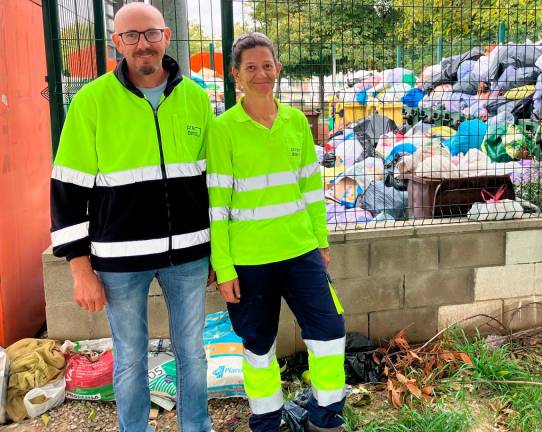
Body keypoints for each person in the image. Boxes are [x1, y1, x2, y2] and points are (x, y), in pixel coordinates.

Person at [49, 3, 213, 431]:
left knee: (192, 353)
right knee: (130, 358)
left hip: (191, 257)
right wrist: (79, 268)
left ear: (166, 37)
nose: (143, 44)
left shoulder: (196, 98)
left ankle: (196, 427)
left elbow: (212, 183)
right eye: (132, 36)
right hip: (120, 261)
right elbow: (68, 188)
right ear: (116, 43)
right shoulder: (92, 102)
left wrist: (218, 252)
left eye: (151, 33)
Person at [206, 32, 346, 432]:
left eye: (267, 65)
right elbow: (218, 203)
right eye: (251, 67)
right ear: (236, 75)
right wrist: (224, 265)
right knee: (258, 345)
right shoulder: (224, 130)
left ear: (278, 69)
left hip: (301, 251)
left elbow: (311, 190)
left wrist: (320, 243)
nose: (261, 74)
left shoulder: (296, 122)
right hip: (249, 261)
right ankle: (267, 421)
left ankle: (326, 417)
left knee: (330, 332)